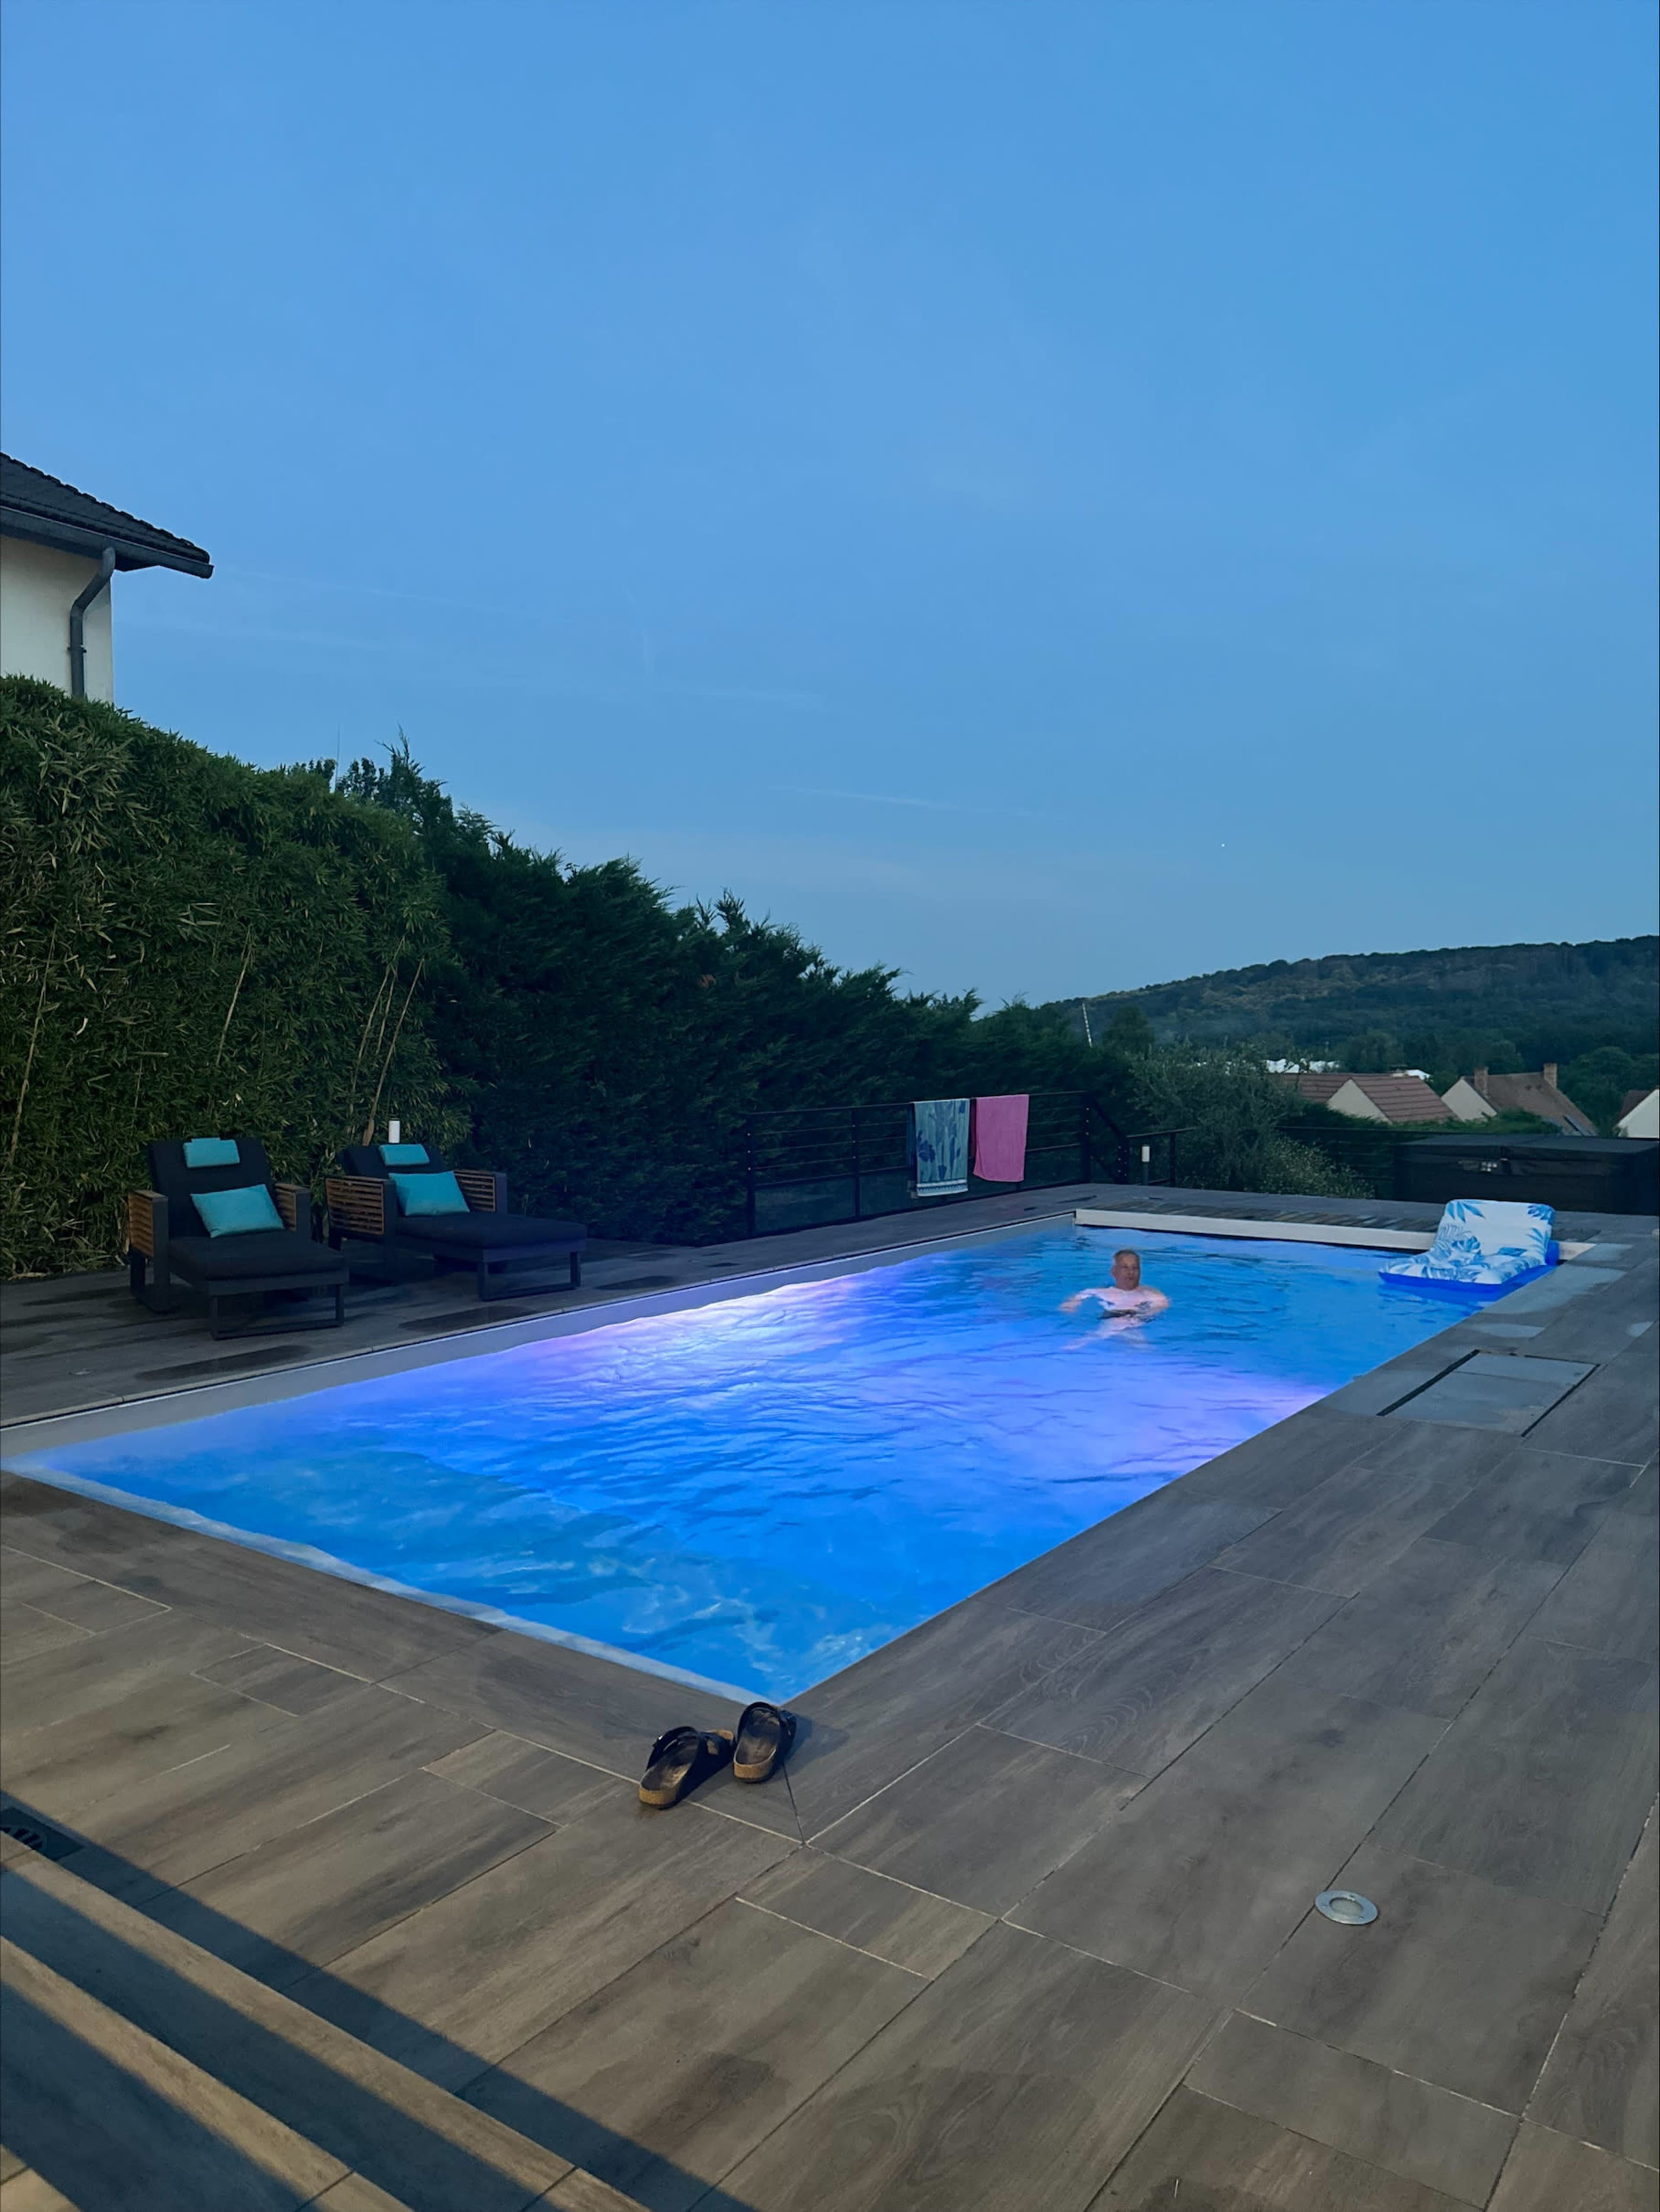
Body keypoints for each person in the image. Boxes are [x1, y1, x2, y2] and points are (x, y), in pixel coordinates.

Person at [1061, 1247, 1170, 1327]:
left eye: (1135, 1268)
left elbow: (1160, 1307)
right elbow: (1069, 1305)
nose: (1131, 1273)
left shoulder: (1151, 1294)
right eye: (1125, 1268)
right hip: (1109, 1320)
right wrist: (1072, 1305)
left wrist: (1137, 1315)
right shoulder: (1100, 1292)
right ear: (1114, 1271)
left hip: (1134, 1323)